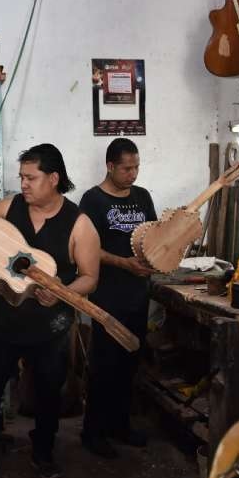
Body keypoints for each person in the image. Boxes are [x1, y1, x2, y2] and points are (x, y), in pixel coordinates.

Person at [0, 143, 100, 478]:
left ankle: (43, 451)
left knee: (47, 392)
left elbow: (90, 277)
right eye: (21, 177)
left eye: (31, 177)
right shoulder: (12, 206)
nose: (23, 184)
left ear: (54, 178)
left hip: (50, 325)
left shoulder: (79, 224)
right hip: (4, 322)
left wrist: (62, 294)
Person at [79, 138, 157, 458]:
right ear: (110, 166)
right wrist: (124, 262)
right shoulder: (93, 200)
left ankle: (120, 426)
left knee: (129, 363)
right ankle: (93, 432)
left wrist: (163, 252)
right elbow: (86, 248)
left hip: (138, 294)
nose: (133, 174)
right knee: (104, 365)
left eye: (136, 167)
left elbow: (153, 234)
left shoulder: (142, 197)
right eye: (127, 168)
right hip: (107, 295)